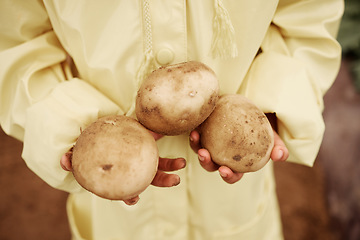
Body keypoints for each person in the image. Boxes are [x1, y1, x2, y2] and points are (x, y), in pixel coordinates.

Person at [0, 0, 343, 239]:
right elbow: (17, 40)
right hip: (112, 179)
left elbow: (307, 15)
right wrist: (66, 121)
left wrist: (272, 101)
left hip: (230, 196)